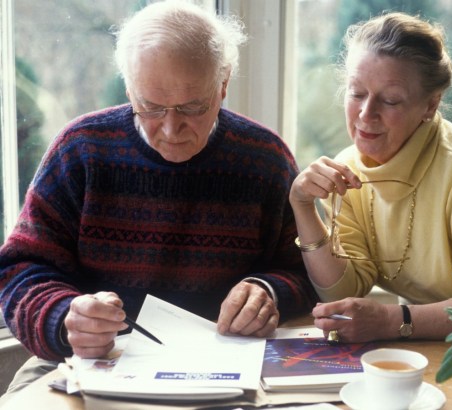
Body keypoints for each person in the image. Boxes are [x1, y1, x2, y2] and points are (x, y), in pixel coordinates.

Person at [0, 0, 317, 399]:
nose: (170, 128)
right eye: (150, 106)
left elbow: (306, 271)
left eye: (192, 107)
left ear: (223, 84)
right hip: (91, 363)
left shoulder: (265, 159)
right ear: (129, 87)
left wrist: (268, 292)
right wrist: (65, 317)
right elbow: (20, 268)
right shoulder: (82, 150)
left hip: (223, 366)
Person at [289, 12, 452, 344]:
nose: (366, 114)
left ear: (431, 105)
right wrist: (302, 206)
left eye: (390, 100)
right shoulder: (347, 170)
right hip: (430, 342)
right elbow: (342, 289)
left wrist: (391, 321)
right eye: (357, 93)